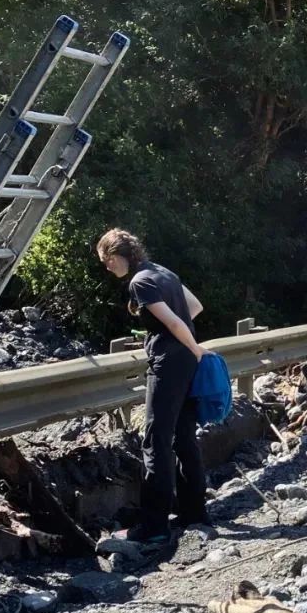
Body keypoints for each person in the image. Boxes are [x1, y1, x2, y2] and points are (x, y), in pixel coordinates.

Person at [97, 229, 210, 545]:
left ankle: (154, 525)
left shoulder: (139, 282)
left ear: (118, 256)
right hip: (186, 361)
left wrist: (191, 346)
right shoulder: (162, 271)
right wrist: (192, 349)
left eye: (106, 261)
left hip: (169, 363)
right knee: (185, 436)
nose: (107, 268)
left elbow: (175, 323)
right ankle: (194, 512)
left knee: (155, 440)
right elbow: (195, 307)